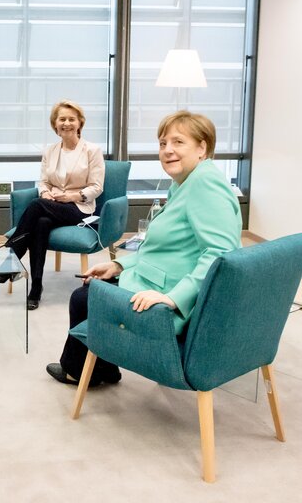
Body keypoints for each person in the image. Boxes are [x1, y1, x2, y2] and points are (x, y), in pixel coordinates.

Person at [46, 110, 242, 387]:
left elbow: (220, 254)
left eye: (178, 142)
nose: (168, 150)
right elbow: (164, 249)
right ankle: (100, 368)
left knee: (83, 298)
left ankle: (83, 370)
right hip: (160, 275)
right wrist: (118, 265)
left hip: (171, 292)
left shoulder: (205, 185)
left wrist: (174, 298)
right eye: (163, 144)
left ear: (202, 148)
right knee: (89, 289)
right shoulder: (186, 183)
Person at [0, 100, 104, 311]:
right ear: (55, 124)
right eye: (62, 119)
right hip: (52, 206)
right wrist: (45, 193)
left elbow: (97, 187)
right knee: (40, 222)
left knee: (36, 206)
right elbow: (44, 181)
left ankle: (11, 261)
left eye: (71, 119)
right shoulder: (50, 151)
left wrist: (71, 197)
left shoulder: (92, 150)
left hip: (80, 209)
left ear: (80, 123)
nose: (66, 123)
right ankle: (36, 287)